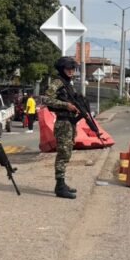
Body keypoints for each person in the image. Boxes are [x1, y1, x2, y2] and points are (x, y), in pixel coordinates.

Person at [40, 56, 80, 199]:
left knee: (67, 153)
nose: (71, 71)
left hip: (70, 122)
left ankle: (62, 183)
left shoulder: (68, 84)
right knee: (63, 154)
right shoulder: (58, 82)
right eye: (68, 69)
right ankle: (60, 186)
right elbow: (47, 99)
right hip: (63, 123)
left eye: (73, 69)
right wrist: (66, 105)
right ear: (62, 69)